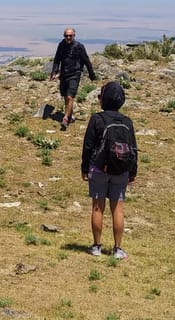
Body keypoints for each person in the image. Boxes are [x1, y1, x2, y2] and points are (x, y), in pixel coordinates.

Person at [80, 81, 137, 260]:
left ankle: (96, 247)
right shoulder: (127, 121)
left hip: (99, 169)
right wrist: (132, 172)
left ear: (103, 99)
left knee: (98, 208)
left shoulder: (97, 119)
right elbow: (133, 148)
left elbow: (88, 146)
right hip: (121, 170)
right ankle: (118, 249)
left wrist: (84, 167)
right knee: (117, 210)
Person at [50, 27, 96, 131]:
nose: (68, 37)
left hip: (75, 74)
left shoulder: (79, 47)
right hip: (64, 74)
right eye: (66, 35)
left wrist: (91, 74)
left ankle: (65, 119)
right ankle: (69, 116)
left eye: (70, 35)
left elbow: (86, 61)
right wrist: (54, 72)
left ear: (74, 36)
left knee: (70, 97)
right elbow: (57, 59)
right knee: (66, 97)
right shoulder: (61, 45)